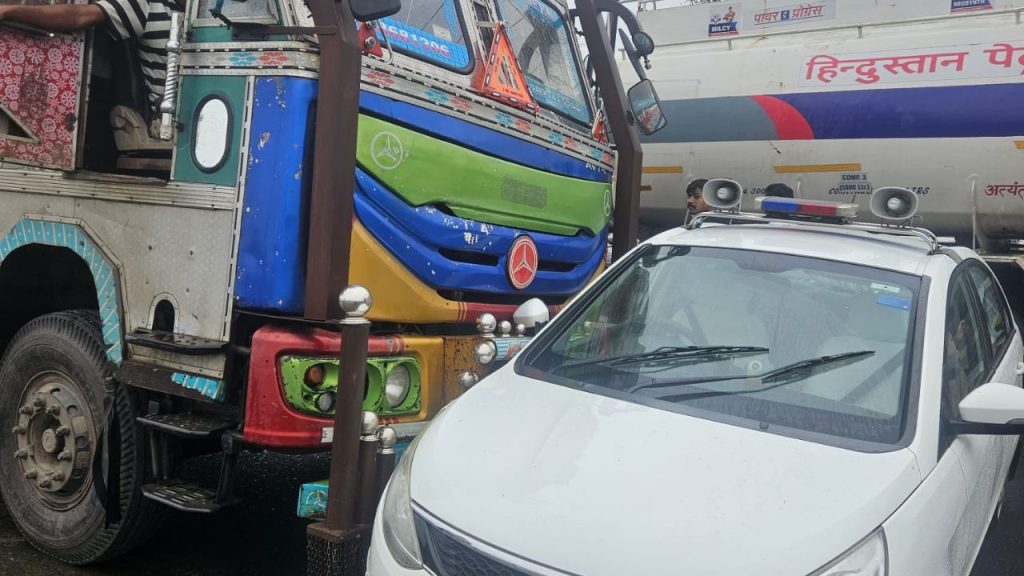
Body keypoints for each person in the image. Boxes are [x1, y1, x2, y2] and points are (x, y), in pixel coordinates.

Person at [0, 0, 182, 115]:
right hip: (172, 117)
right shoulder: (148, 7)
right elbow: (79, 16)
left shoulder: (208, 16)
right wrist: (9, 11)